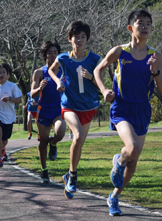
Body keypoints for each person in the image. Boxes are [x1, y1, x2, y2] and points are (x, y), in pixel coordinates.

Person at [94, 9, 162, 216]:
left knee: (133, 161)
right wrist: (104, 90)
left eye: (148, 24)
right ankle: (118, 160)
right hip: (122, 106)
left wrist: (155, 72)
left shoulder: (155, 56)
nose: (144, 27)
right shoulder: (119, 51)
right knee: (132, 147)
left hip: (143, 108)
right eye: (140, 23)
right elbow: (98, 70)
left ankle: (115, 196)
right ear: (130, 28)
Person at [48, 22, 100, 196]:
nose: (79, 40)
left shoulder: (94, 59)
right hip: (69, 105)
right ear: (69, 39)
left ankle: (69, 173)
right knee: (77, 136)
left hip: (88, 106)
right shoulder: (63, 58)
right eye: (76, 36)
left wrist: (91, 76)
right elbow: (51, 70)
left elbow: (101, 84)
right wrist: (58, 82)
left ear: (87, 39)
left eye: (83, 37)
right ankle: (73, 175)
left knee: (79, 142)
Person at [31, 41, 66, 183]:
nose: (52, 56)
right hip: (43, 110)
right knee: (42, 141)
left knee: (60, 132)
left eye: (55, 53)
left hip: (59, 109)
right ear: (44, 55)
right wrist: (39, 88)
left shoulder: (64, 70)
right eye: (50, 53)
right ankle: (44, 170)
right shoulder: (39, 72)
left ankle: (54, 143)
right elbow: (32, 94)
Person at [0, 63, 22, 167]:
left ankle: (2, 148)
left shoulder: (12, 86)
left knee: (4, 140)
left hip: (9, 117)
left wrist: (9, 99)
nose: (1, 74)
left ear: (8, 75)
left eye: (3, 72)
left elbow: (18, 100)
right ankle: (0, 158)